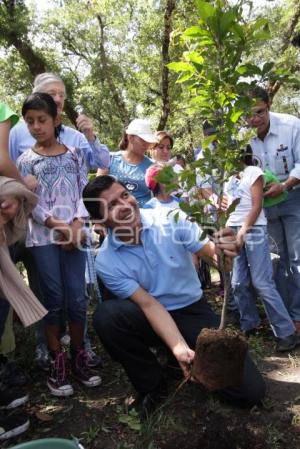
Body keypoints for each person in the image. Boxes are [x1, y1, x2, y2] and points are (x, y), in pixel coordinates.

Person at [82, 175, 266, 420]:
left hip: (191, 309)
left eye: (124, 195)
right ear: (100, 220)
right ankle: (152, 385)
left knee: (250, 393)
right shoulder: (106, 261)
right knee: (107, 317)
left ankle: (178, 363)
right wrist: (179, 346)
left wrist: (225, 252)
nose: (125, 206)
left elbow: (215, 259)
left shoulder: (171, 218)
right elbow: (148, 304)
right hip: (149, 316)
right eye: (112, 205)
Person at [9, 73, 107, 368]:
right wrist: (58, 226)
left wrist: (76, 224)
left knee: (77, 297)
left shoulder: (75, 154)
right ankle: (55, 357)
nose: (36, 126)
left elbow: (82, 191)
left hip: (75, 233)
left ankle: (79, 351)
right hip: (43, 237)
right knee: (51, 296)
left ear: (55, 120)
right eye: (30, 121)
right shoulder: (25, 160)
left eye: (42, 120)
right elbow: (32, 203)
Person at [226, 145, 298, 351]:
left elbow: (257, 206)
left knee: (261, 282)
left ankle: (287, 332)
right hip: (232, 228)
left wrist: (243, 230)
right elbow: (228, 206)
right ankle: (250, 322)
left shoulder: (253, 172)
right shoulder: (228, 177)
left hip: (254, 229)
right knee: (238, 282)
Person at [247, 86, 300, 333]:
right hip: (264, 207)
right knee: (277, 261)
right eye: (248, 115)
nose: (254, 119)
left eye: (259, 112)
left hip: (293, 197)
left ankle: (298, 315)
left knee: (298, 259)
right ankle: (287, 313)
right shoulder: (243, 137)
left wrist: (286, 184)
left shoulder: (291, 126)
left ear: (268, 105)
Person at [97, 118, 157, 207]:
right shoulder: (109, 159)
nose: (146, 144)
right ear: (130, 138)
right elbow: (97, 191)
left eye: (148, 141)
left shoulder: (153, 166)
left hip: (143, 217)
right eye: (142, 140)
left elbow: (160, 195)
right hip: (115, 216)